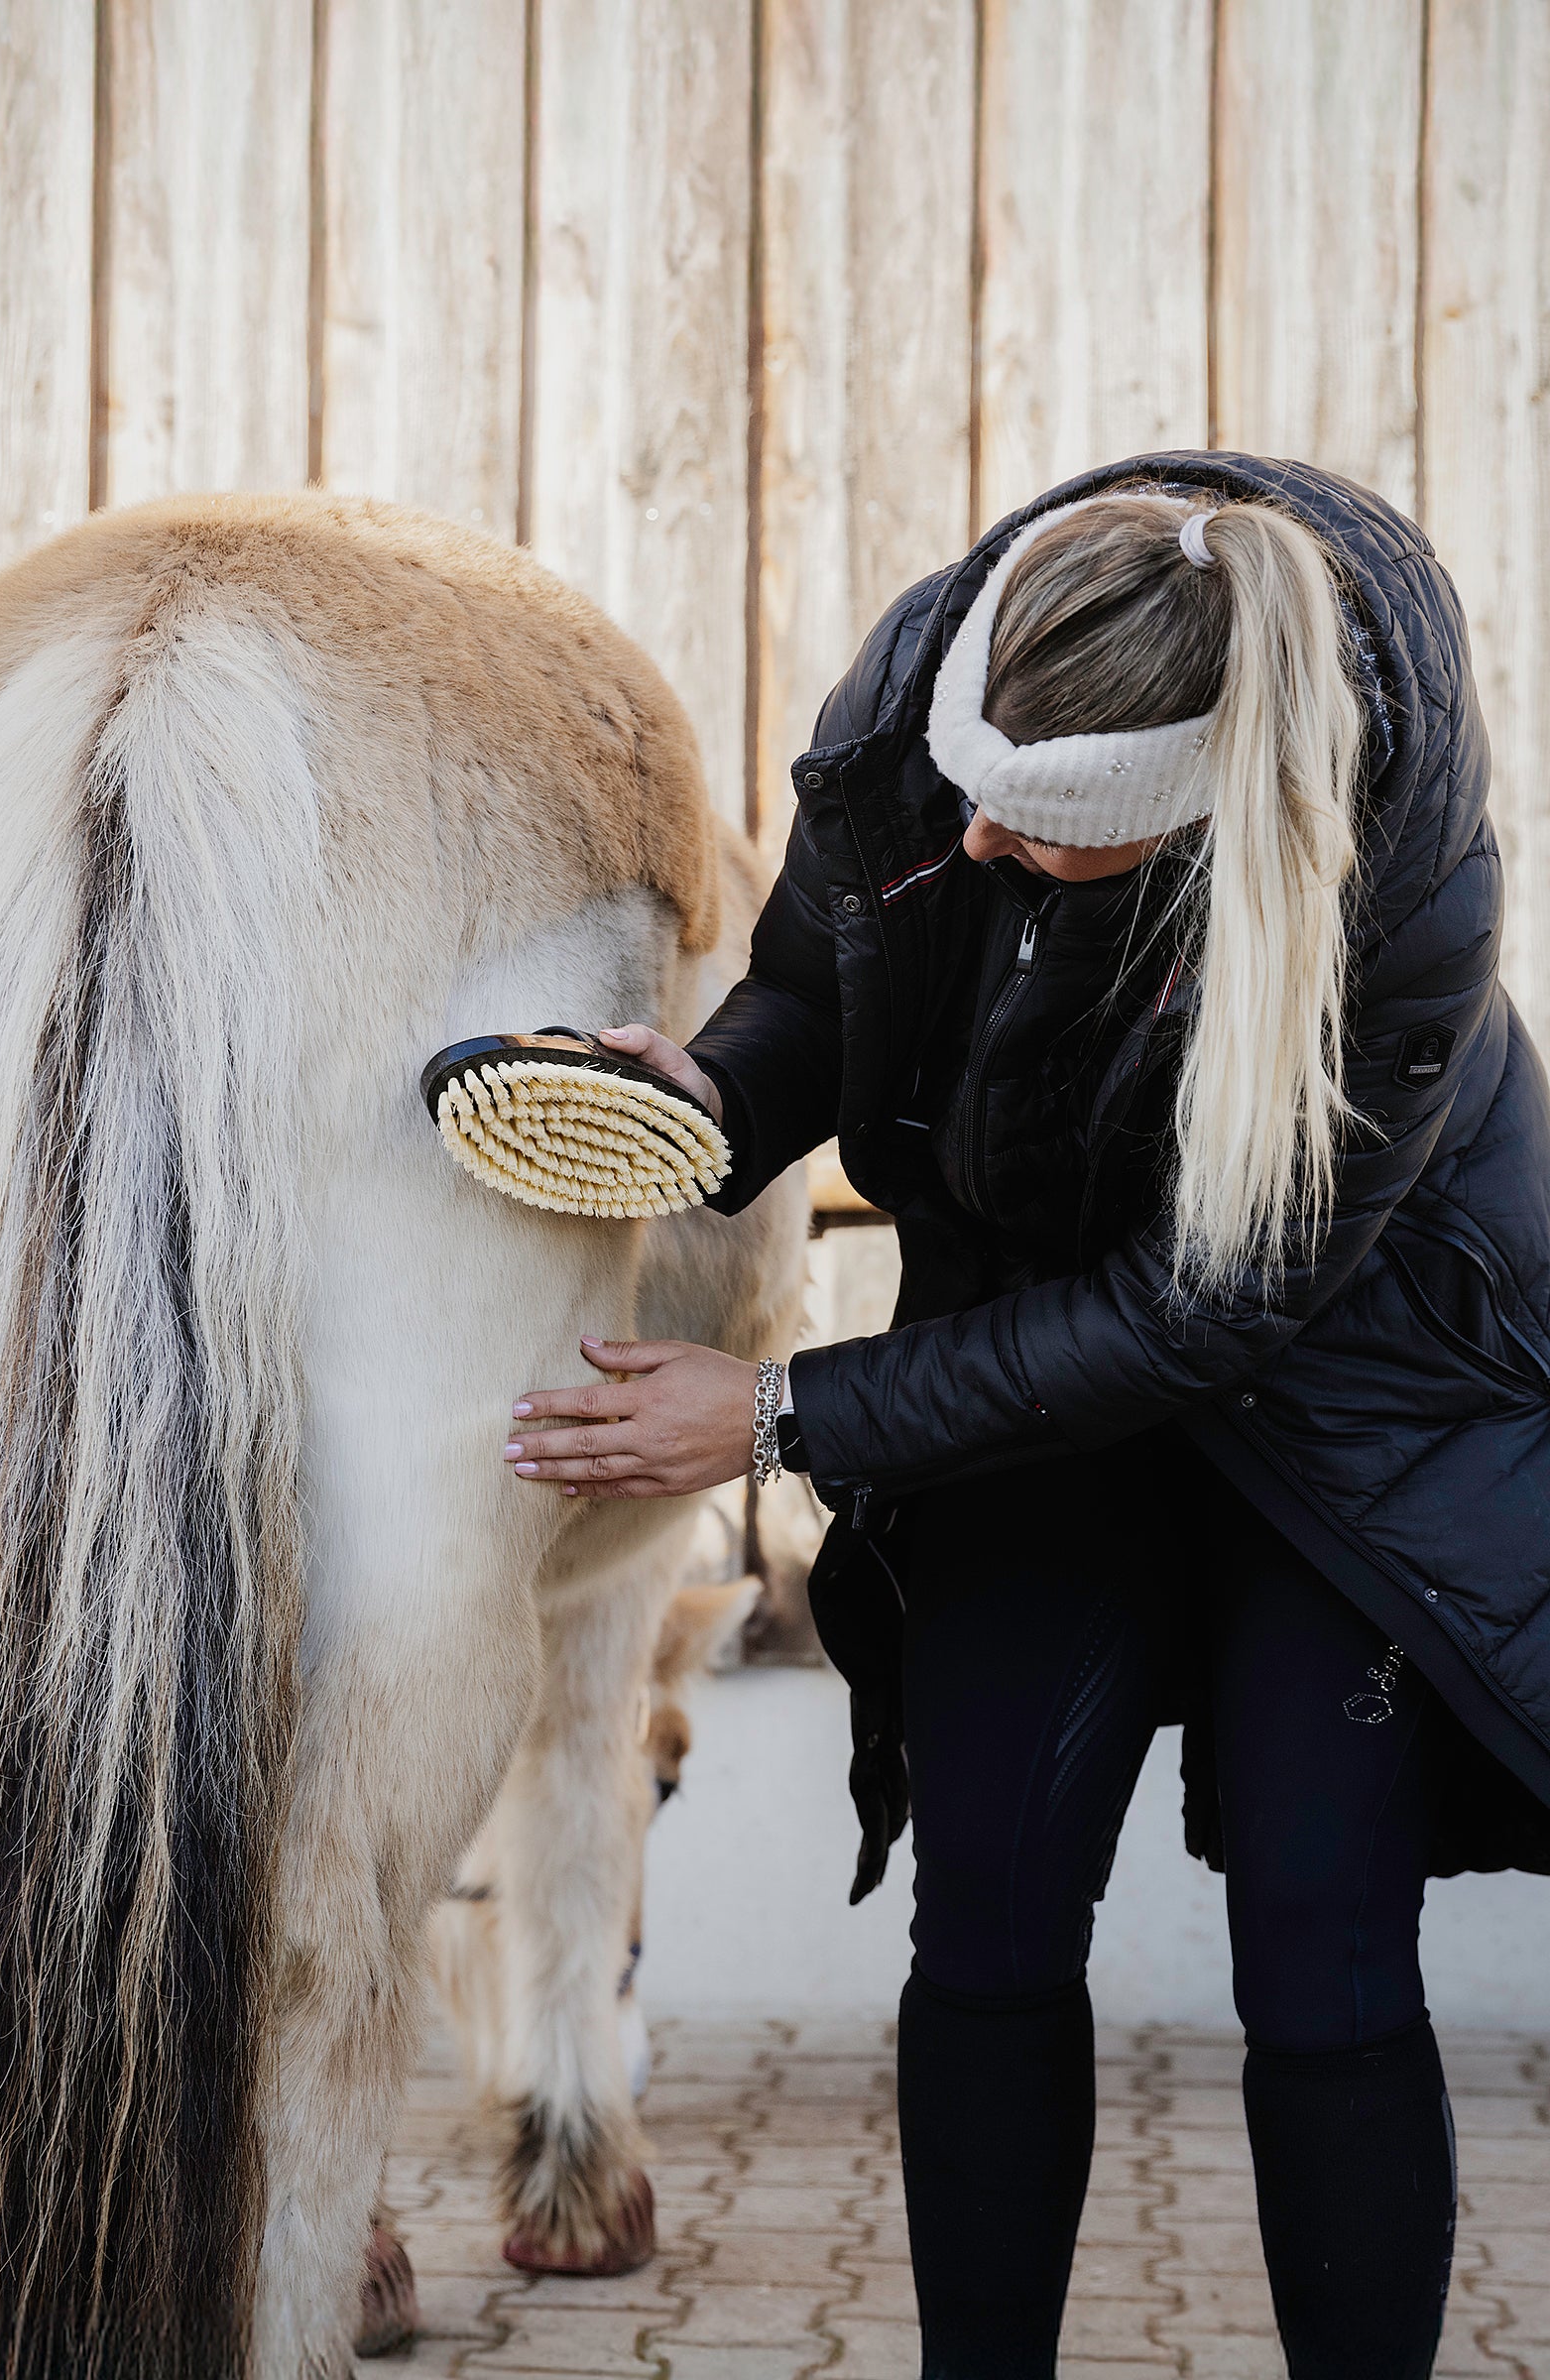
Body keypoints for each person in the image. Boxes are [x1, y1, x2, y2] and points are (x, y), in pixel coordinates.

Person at [500, 453, 1550, 2380]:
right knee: (986, 1918)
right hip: (1016, 1357)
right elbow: (823, 986)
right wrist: (711, 1096)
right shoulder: (920, 704)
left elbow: (1197, 1316)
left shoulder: (1405, 887)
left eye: (1046, 837)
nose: (975, 849)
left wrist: (781, 1413)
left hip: (1343, 1402)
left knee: (1320, 1958)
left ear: (1204, 818)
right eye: (968, 799)